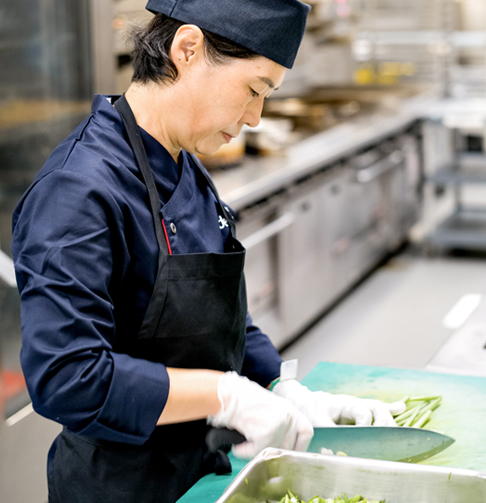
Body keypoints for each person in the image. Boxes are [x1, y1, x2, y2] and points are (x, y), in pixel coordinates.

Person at [11, 1, 405, 502]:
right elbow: (67, 376)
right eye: (253, 90)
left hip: (207, 471)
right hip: (124, 485)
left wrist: (278, 385)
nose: (256, 117)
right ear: (188, 50)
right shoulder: (77, 190)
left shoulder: (184, 164)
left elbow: (218, 320)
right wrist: (224, 395)